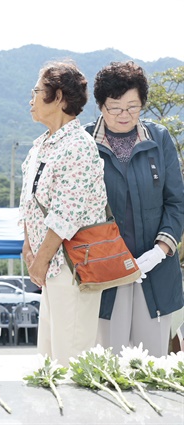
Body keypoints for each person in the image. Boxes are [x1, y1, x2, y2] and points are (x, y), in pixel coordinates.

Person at [83, 61, 184, 357]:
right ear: (101, 105)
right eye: (115, 107)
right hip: (104, 274)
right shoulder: (85, 143)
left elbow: (176, 202)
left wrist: (159, 251)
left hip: (154, 271)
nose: (124, 115)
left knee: (152, 365)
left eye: (133, 107)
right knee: (107, 365)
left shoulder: (158, 139)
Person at [19, 61, 108, 366]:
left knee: (70, 360)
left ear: (57, 97)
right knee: (48, 360)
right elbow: (30, 205)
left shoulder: (79, 145)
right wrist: (28, 247)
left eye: (36, 91)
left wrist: (39, 260)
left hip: (72, 266)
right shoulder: (41, 145)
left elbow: (64, 215)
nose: (31, 99)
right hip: (49, 265)